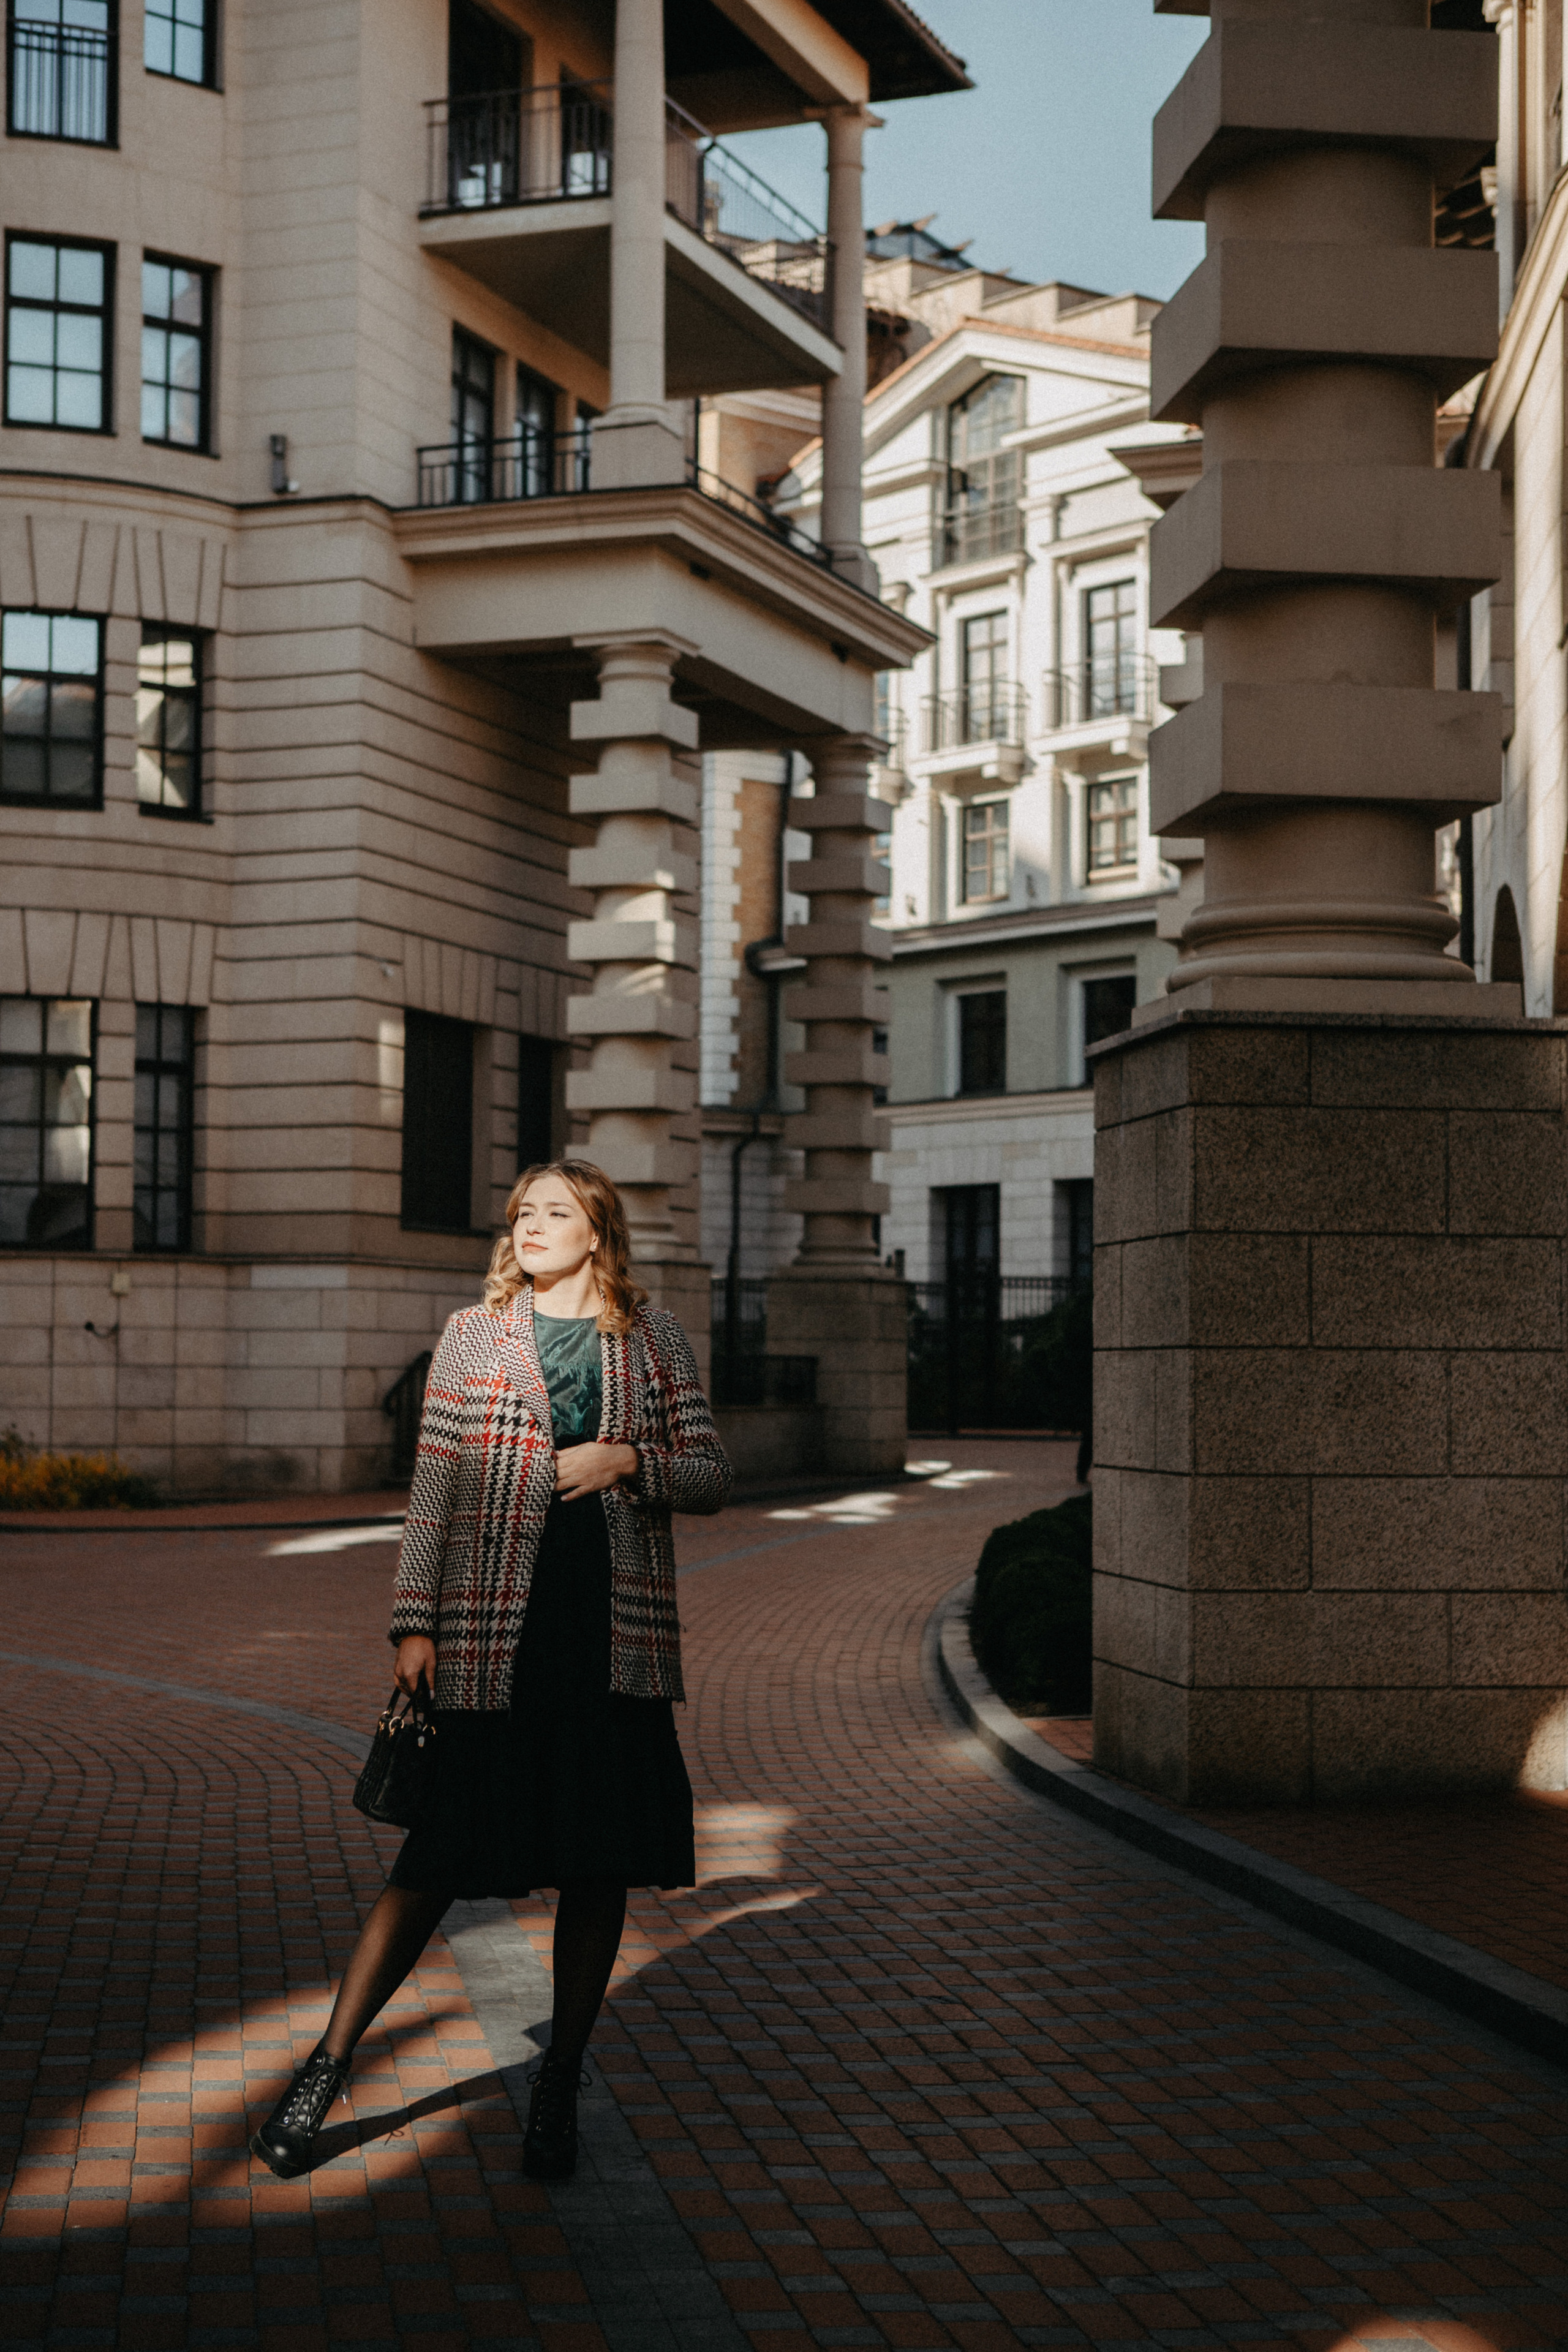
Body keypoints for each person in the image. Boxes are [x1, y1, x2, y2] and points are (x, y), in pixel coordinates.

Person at [249, 1158, 731, 2182]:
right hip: (488, 1636)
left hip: (611, 1638)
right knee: (431, 1861)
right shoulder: (471, 1337)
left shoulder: (653, 1338)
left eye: (556, 1213)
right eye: (521, 1215)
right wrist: (411, 1620)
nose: (532, 1228)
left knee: (598, 1864)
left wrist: (627, 1461)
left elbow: (713, 1474)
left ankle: (559, 2078)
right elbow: (432, 1489)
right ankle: (326, 2068)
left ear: (598, 1230)